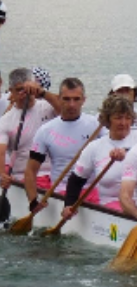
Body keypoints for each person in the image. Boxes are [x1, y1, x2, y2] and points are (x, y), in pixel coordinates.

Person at [24, 77, 100, 205]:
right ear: (59, 99)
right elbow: (30, 171)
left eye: (76, 99)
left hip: (90, 192)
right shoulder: (45, 130)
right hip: (61, 192)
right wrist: (33, 201)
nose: (71, 104)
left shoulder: (96, 126)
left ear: (84, 100)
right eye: (66, 99)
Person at [62, 94, 137, 216]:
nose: (123, 123)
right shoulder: (94, 147)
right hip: (110, 206)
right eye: (118, 118)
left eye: (128, 118)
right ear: (108, 119)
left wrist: (127, 152)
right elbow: (76, 181)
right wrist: (68, 205)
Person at [0, 68, 60, 190]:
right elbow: (1, 152)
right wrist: (2, 175)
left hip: (53, 175)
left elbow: (66, 108)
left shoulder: (48, 108)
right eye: (19, 90)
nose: (25, 94)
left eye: (28, 89)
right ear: (11, 91)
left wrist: (43, 93)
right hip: (22, 178)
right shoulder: (5, 121)